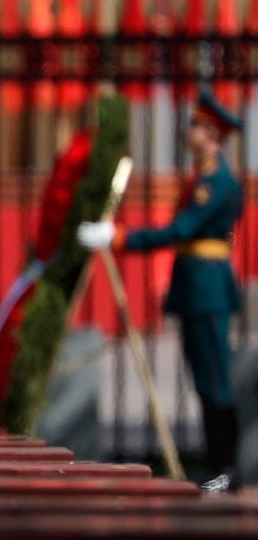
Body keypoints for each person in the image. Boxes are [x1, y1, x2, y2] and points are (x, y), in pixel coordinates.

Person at [77, 90, 244, 493]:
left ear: (212, 134)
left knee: (214, 380)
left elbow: (180, 231)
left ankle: (227, 469)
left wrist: (117, 237)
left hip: (207, 289)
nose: (187, 132)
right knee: (204, 380)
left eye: (195, 126)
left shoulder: (215, 182)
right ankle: (217, 464)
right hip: (196, 286)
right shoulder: (203, 178)